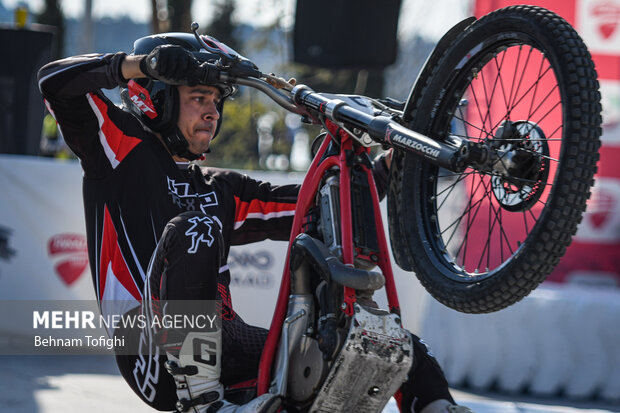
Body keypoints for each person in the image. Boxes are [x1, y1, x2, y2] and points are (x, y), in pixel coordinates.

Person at [38, 32, 472, 413]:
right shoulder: (120, 152)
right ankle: (203, 401)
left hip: (232, 343)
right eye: (197, 98)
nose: (211, 112)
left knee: (388, 345)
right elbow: (53, 82)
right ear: (156, 99)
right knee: (198, 228)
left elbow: (317, 203)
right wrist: (139, 65)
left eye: (214, 101)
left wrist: (401, 156)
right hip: (150, 349)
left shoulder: (222, 189)